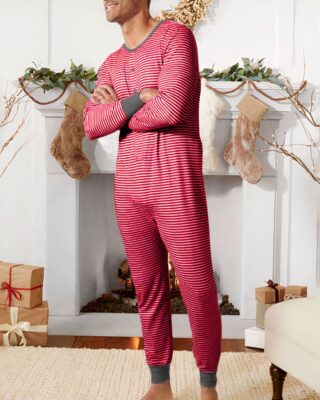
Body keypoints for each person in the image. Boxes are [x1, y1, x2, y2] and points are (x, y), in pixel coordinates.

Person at [83, 1, 222, 399]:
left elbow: (172, 107)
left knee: (196, 287)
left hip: (175, 183)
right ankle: (159, 384)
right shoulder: (110, 62)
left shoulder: (176, 38)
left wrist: (118, 109)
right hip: (129, 190)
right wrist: (136, 100)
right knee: (147, 289)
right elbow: (93, 125)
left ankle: (207, 387)